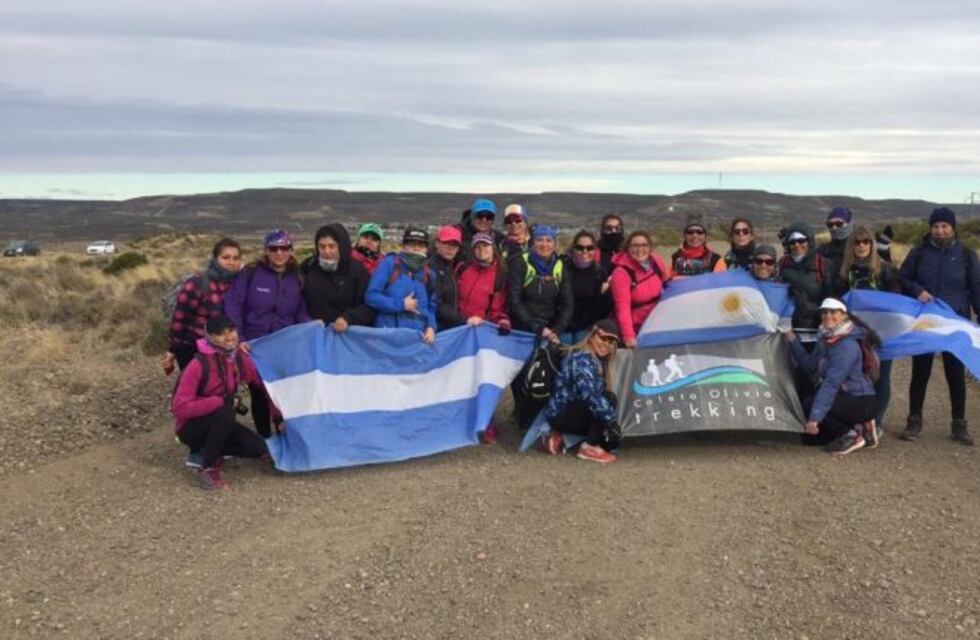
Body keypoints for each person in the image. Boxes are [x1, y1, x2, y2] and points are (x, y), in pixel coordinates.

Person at [898, 207, 980, 445]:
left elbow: (976, 288)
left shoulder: (966, 255)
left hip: (955, 322)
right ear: (930, 228)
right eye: (936, 226)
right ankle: (914, 421)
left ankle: (959, 425)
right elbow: (903, 278)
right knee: (920, 372)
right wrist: (917, 291)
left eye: (945, 226)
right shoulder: (919, 253)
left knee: (955, 374)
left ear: (953, 228)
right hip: (926, 322)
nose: (940, 231)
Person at [224, 229, 310, 437]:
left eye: (284, 248)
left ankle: (285, 433)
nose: (279, 253)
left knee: (284, 390)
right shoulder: (251, 273)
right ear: (266, 250)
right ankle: (264, 438)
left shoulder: (296, 276)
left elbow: (300, 310)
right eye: (274, 249)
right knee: (259, 393)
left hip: (283, 345)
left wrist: (310, 327)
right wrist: (240, 338)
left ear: (291, 250)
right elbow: (234, 304)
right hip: (255, 344)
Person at [171, 315, 269, 490]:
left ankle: (210, 449)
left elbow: (262, 384)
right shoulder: (198, 365)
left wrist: (278, 418)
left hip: (220, 421)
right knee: (225, 411)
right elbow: (179, 408)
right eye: (221, 334)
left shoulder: (237, 358)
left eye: (231, 331)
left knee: (257, 447)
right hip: (190, 428)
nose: (229, 337)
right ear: (210, 337)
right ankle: (207, 467)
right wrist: (221, 401)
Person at [830, 225, 901, 433]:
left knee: (880, 377)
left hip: (881, 334)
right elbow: (836, 300)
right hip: (853, 335)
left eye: (866, 242)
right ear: (851, 246)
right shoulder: (843, 271)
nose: (861, 246)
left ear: (872, 244)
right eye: (857, 242)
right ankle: (860, 419)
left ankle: (876, 421)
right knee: (855, 378)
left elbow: (896, 300)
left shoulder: (885, 269)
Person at [786, 298, 879, 456]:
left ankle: (853, 435)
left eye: (833, 312)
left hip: (860, 400)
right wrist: (793, 340)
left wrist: (814, 418)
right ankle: (859, 426)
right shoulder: (825, 337)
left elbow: (831, 384)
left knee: (810, 404)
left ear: (843, 316)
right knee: (810, 440)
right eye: (824, 312)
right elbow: (810, 365)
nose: (828, 316)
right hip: (842, 397)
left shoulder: (847, 346)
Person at [508, 224, 574, 427]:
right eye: (540, 240)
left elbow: (568, 303)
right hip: (524, 326)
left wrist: (556, 330)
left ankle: (542, 415)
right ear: (532, 242)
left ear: (555, 244)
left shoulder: (560, 266)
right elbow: (514, 300)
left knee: (546, 374)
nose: (544, 244)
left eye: (549, 240)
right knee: (521, 373)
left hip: (550, 328)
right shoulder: (521, 263)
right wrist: (536, 327)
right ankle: (522, 415)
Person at [539, 318, 624, 464]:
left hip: (566, 412)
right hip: (563, 413)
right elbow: (591, 396)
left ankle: (559, 437)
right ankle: (588, 448)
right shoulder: (581, 358)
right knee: (607, 399)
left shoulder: (598, 360)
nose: (606, 344)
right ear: (592, 335)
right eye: (603, 338)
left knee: (607, 441)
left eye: (612, 342)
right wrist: (612, 423)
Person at [455, 232, 512, 443]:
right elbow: (453, 297)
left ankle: (486, 423)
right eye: (478, 247)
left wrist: (502, 321)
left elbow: (500, 308)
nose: (482, 250)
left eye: (486, 246)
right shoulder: (462, 269)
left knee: (484, 380)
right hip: (460, 329)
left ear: (493, 248)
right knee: (462, 378)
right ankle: (464, 422)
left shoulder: (500, 275)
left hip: (483, 334)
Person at [163, 238, 243, 373]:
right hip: (194, 349)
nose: (231, 262)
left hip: (225, 348)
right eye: (226, 257)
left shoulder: (239, 283)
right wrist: (172, 350)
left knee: (223, 388)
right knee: (196, 389)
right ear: (215, 258)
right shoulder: (198, 283)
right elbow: (179, 320)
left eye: (236, 258)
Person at [365, 227, 438, 344]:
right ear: (403, 246)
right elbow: (371, 296)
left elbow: (432, 306)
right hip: (387, 337)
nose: (416, 248)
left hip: (417, 339)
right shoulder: (389, 264)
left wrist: (431, 327)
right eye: (411, 243)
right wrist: (401, 304)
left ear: (426, 249)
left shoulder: (429, 274)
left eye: (421, 245)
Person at [302, 223, 376, 331]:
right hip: (314, 335)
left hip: (346, 336)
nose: (326, 252)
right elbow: (296, 299)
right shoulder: (309, 266)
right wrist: (306, 319)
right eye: (322, 246)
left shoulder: (358, 272)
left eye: (332, 246)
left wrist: (349, 318)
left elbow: (370, 306)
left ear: (342, 246)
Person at [609, 230, 669, 348]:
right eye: (635, 245)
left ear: (650, 247)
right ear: (627, 248)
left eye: (644, 245)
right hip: (637, 329)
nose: (640, 249)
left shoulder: (656, 262)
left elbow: (667, 284)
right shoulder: (621, 273)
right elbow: (622, 308)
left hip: (656, 324)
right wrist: (628, 336)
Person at [778, 221, 830, 339]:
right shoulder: (782, 264)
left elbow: (832, 301)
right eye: (792, 242)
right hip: (787, 331)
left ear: (810, 241)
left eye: (801, 240)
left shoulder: (823, 265)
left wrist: (810, 309)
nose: (797, 245)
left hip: (817, 331)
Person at [561, 230, 612, 345]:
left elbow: (603, 308)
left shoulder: (599, 272)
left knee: (582, 356)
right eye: (580, 248)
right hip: (562, 325)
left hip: (586, 326)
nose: (585, 251)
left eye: (589, 248)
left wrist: (606, 294)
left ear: (595, 250)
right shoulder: (562, 268)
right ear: (573, 249)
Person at [429, 225, 465, 330]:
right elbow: (436, 304)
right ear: (437, 244)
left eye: (455, 245)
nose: (451, 248)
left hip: (448, 326)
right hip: (436, 329)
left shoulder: (448, 267)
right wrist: (463, 320)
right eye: (446, 243)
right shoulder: (432, 268)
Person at [817, 206, 854, 278]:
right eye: (830, 225)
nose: (834, 228)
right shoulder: (823, 249)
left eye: (839, 224)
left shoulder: (860, 246)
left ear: (849, 224)